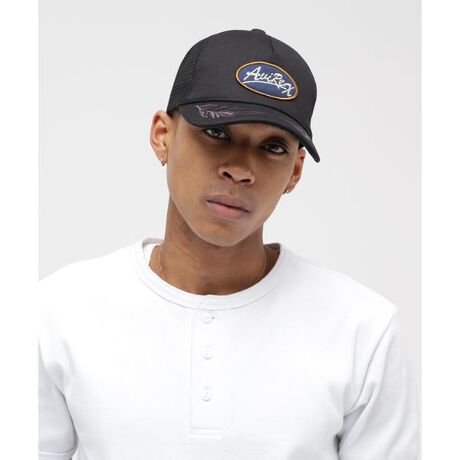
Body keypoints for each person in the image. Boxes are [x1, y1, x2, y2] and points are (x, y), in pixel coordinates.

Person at [38, 29, 418, 460]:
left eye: (273, 146)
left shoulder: (362, 329)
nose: (240, 169)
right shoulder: (60, 312)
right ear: (162, 135)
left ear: (295, 172)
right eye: (217, 132)